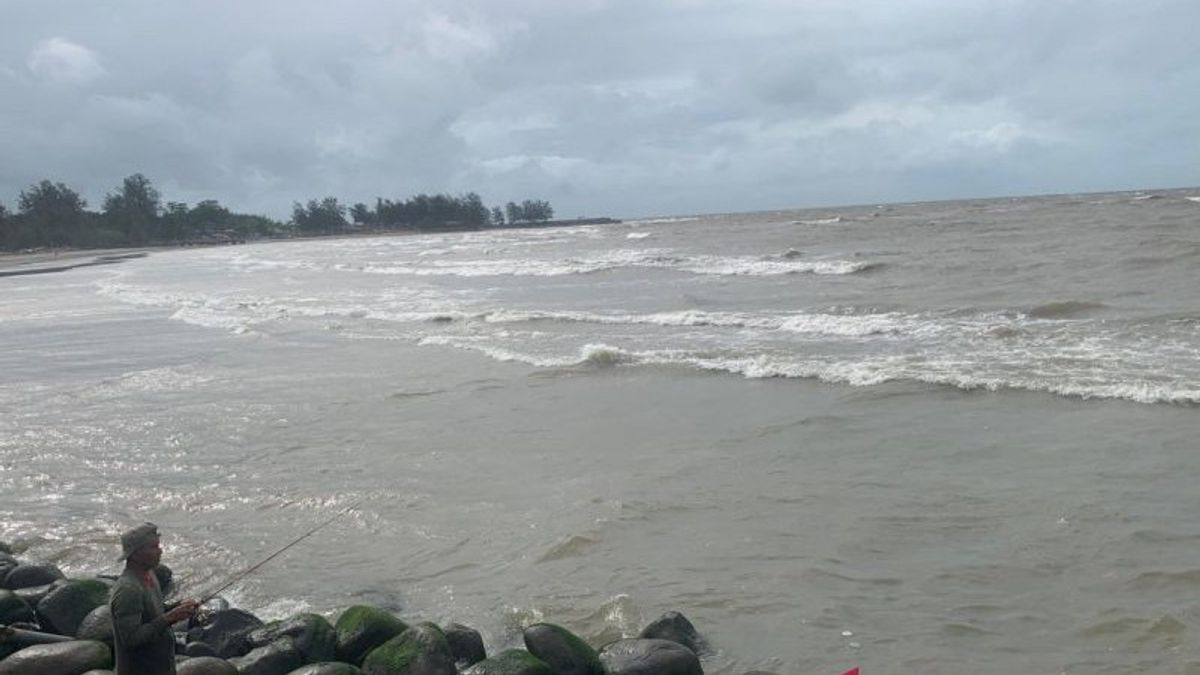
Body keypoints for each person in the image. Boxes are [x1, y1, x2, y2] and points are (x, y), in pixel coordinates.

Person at [110, 522, 199, 675]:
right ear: (136, 554)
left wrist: (178, 608)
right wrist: (169, 618)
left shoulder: (150, 575)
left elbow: (153, 614)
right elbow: (131, 639)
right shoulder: (128, 590)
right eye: (154, 547)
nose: (160, 551)